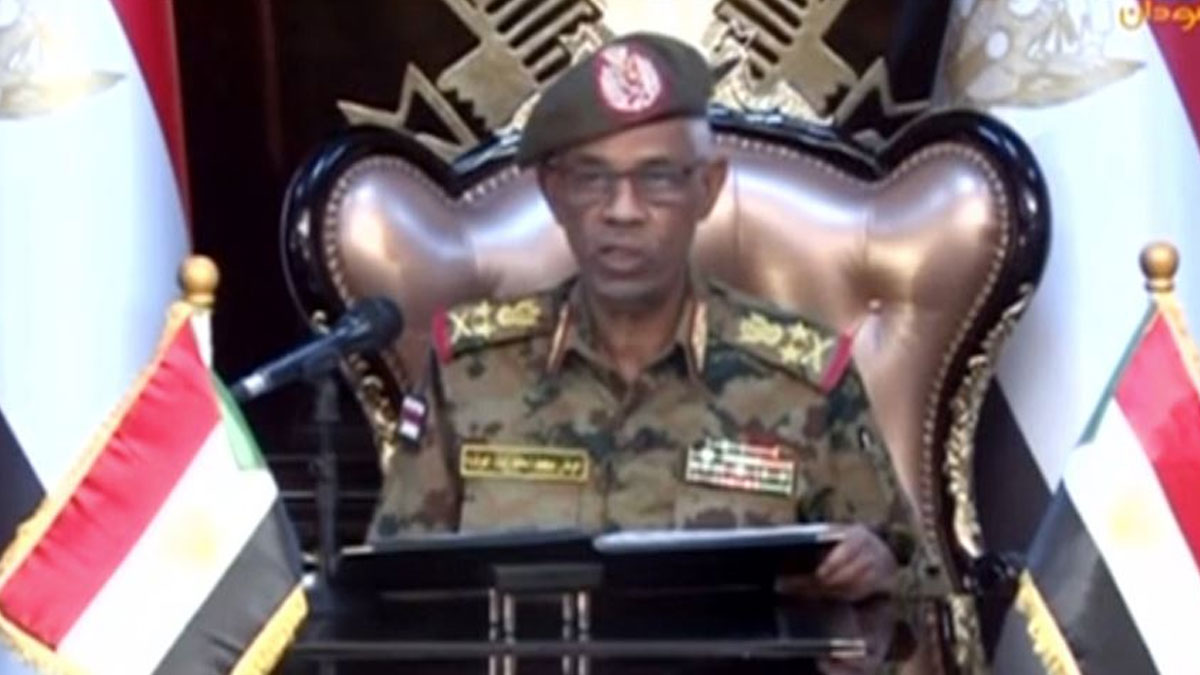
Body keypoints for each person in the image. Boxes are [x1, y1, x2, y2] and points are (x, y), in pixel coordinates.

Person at [368, 32, 941, 602]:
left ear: (707, 189)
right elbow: (391, 594)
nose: (622, 211)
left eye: (658, 178)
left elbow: (915, 593)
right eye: (591, 178)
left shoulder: (804, 382)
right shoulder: (469, 375)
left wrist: (877, 573)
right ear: (554, 193)